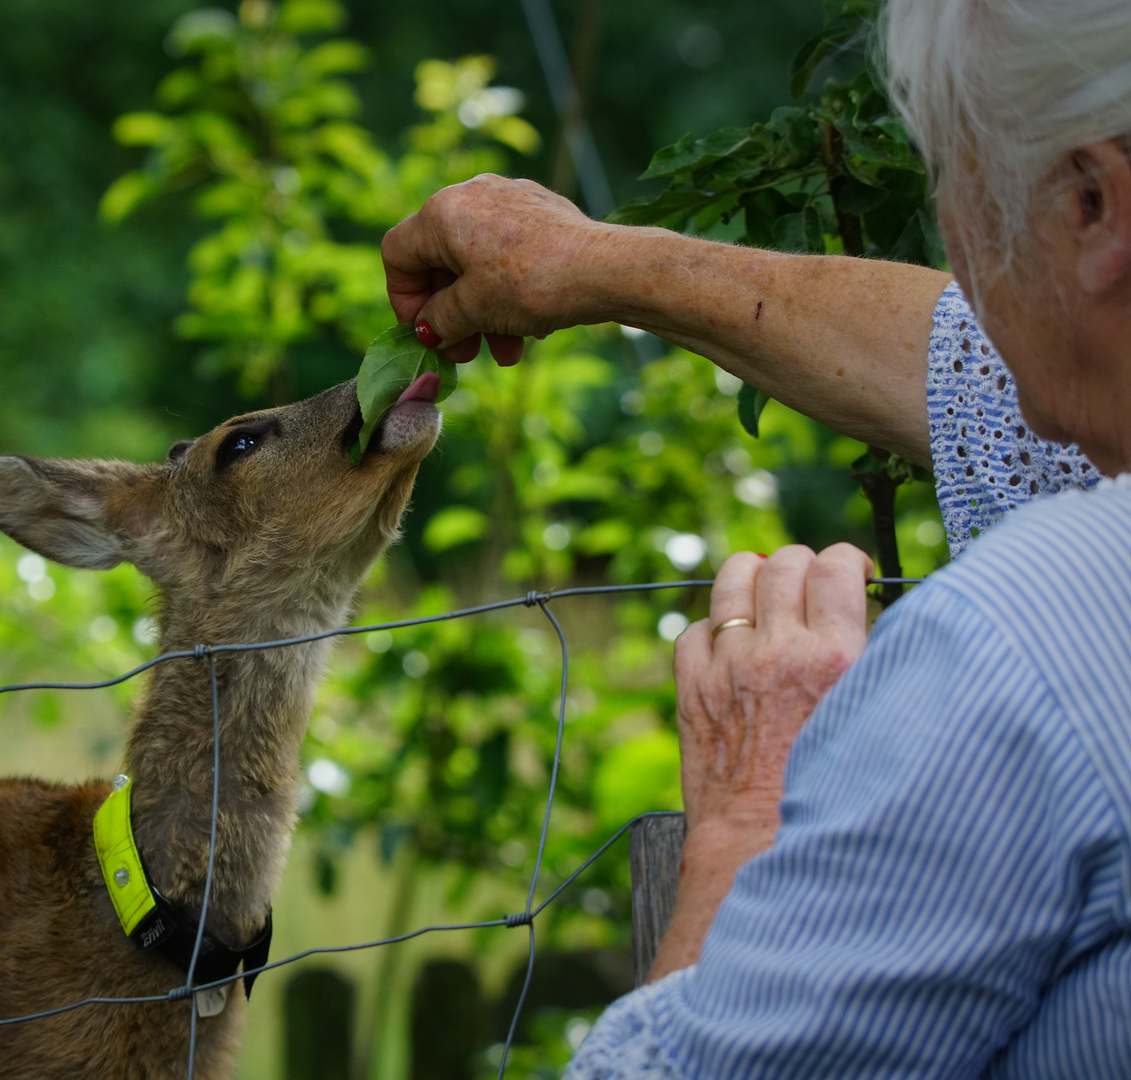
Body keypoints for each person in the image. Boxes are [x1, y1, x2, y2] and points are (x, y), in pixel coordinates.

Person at [381, 0, 1130, 1075]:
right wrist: (596, 263)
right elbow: (980, 366)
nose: (954, 235)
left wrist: (746, 820)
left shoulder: (1023, 651)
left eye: (955, 180)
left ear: (1096, 205)